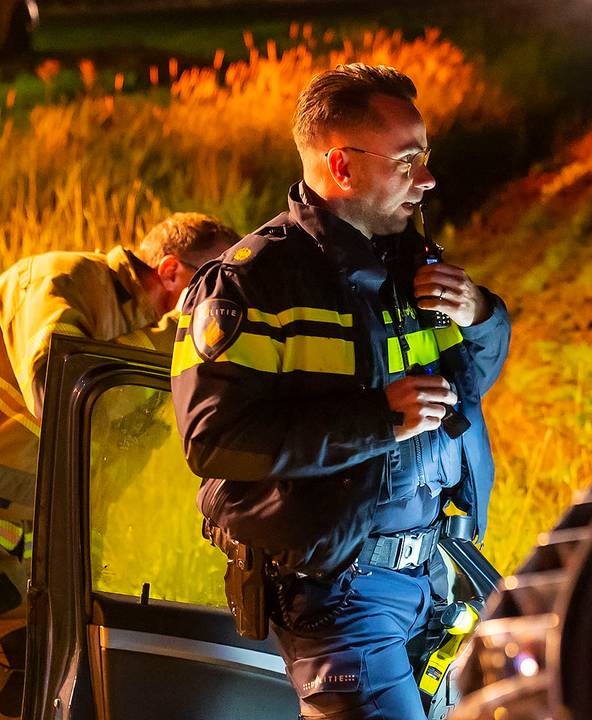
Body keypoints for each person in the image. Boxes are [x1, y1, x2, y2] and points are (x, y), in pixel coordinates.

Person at [170, 63, 510, 719]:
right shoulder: (253, 282)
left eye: (426, 159)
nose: (429, 179)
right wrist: (376, 421)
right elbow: (214, 442)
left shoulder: (410, 264)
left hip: (434, 580)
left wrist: (482, 314)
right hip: (339, 598)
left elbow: (468, 390)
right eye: (408, 162)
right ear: (342, 167)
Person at [0, 212, 235, 714]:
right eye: (209, 288)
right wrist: (183, 334)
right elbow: (53, 390)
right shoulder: (61, 278)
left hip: (48, 549)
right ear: (172, 272)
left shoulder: (136, 327)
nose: (216, 310)